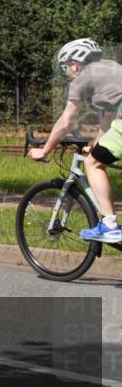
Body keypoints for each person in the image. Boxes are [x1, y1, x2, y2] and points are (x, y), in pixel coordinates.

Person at [29, 39, 122, 242]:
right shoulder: (111, 68)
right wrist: (95, 146)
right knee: (97, 156)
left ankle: (110, 225)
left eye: (65, 67)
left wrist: (44, 150)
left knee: (92, 163)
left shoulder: (81, 77)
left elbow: (66, 122)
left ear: (75, 63)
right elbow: (108, 120)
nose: (66, 73)